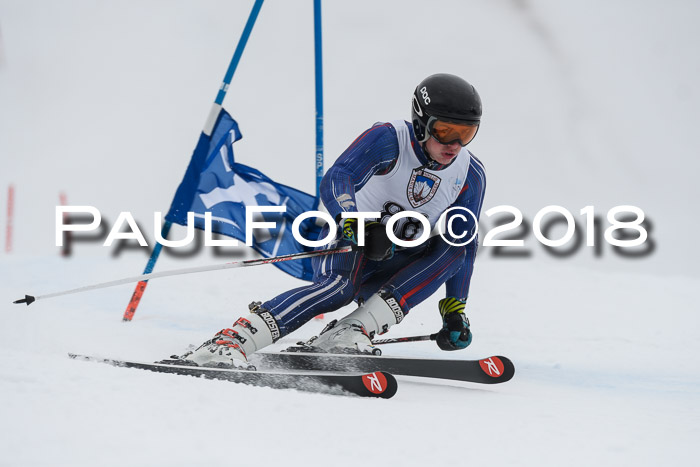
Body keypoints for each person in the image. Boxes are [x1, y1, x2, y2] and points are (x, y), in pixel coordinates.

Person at [181, 73, 487, 367]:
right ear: (422, 125)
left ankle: (351, 330)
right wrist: (357, 227)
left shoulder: (469, 174)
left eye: (467, 133)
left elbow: (465, 241)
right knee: (339, 289)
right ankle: (230, 341)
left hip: (395, 261)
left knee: (454, 246)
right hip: (349, 242)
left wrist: (455, 309)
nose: (455, 144)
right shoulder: (390, 140)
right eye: (446, 131)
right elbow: (339, 177)